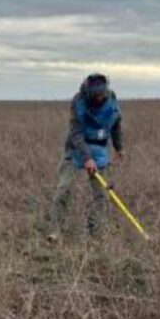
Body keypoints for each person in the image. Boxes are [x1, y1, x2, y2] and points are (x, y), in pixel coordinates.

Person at [46, 73, 123, 242]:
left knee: (102, 195)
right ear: (89, 92)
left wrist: (119, 148)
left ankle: (94, 231)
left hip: (100, 149)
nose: (100, 97)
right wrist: (87, 158)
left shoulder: (112, 99)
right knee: (64, 188)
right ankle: (55, 230)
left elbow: (116, 123)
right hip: (76, 149)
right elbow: (75, 132)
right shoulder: (78, 101)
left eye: (102, 93)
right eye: (96, 94)